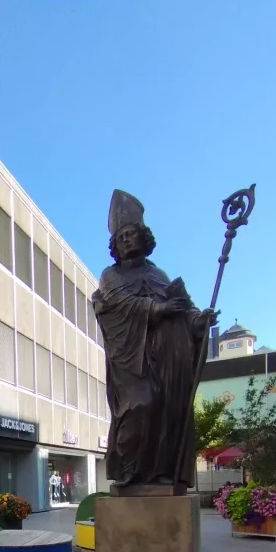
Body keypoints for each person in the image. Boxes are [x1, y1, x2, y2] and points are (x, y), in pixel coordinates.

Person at [91, 191, 217, 490]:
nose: (126, 240)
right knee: (140, 406)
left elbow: (182, 305)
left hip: (163, 357)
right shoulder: (111, 275)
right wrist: (156, 309)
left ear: (144, 237)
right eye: (120, 237)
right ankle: (130, 471)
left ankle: (160, 473)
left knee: (166, 410)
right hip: (130, 360)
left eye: (131, 234)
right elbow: (118, 304)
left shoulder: (157, 273)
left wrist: (198, 319)